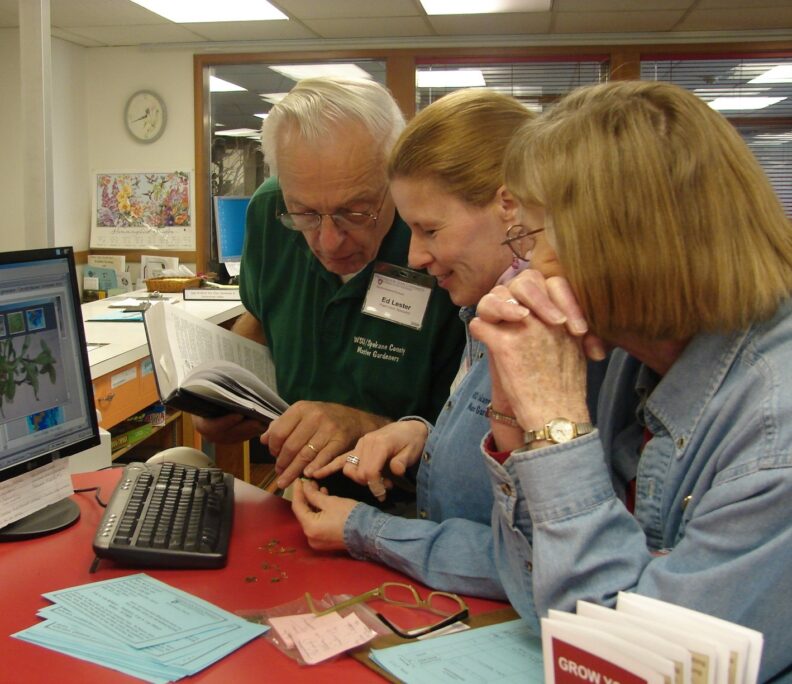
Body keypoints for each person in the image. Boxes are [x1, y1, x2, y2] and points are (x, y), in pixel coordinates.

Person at [470, 80, 792, 681]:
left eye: (530, 238)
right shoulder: (626, 350)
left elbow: (621, 667)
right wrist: (513, 404)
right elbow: (534, 595)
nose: (524, 268)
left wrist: (558, 428)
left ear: (612, 248)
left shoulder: (776, 436)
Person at [290, 89, 541, 599]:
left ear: (509, 207)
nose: (415, 255)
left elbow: (541, 560)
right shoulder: (483, 311)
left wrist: (368, 531)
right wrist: (422, 434)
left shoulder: (550, 335)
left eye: (429, 229)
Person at [194, 78, 465, 494]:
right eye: (303, 213)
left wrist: (362, 426)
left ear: (394, 178)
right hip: (302, 488)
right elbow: (262, 314)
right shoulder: (268, 211)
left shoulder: (441, 241)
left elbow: (466, 438)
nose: (328, 241)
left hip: (411, 499)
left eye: (354, 212)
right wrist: (225, 397)